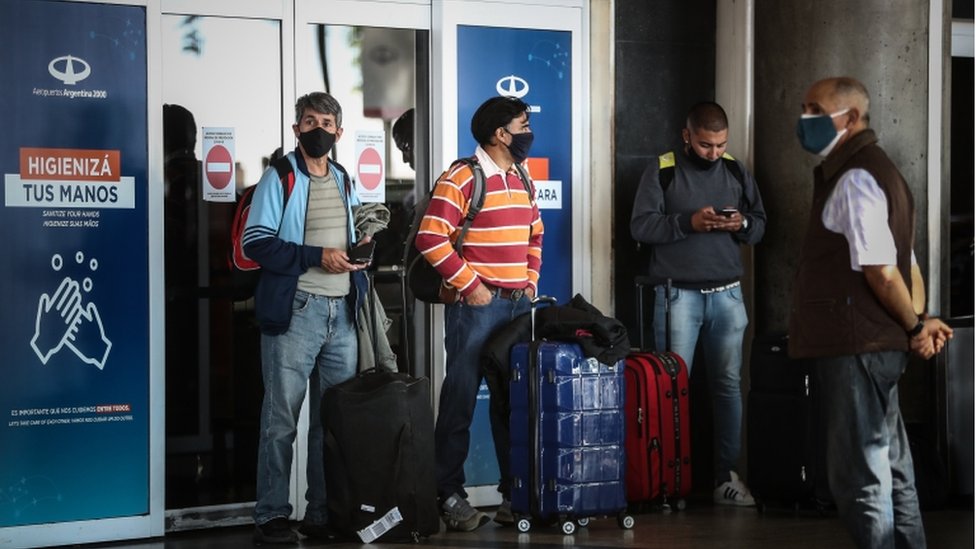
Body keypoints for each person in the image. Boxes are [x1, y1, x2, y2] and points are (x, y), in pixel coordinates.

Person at [790, 76, 953, 549]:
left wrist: (915, 326)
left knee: (860, 477)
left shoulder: (855, 177)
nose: (804, 119)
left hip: (855, 345)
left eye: (815, 109)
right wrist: (917, 325)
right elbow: (910, 266)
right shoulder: (885, 173)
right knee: (892, 468)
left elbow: (884, 272)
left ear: (851, 118)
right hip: (875, 345)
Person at [244, 92, 373, 544]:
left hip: (342, 315)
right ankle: (272, 513)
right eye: (308, 121)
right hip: (297, 311)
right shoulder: (279, 176)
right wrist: (318, 256)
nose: (317, 128)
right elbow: (255, 242)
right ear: (296, 129)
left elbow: (348, 237)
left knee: (331, 422)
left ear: (339, 131)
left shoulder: (342, 177)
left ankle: (321, 513)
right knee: (281, 420)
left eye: (326, 122)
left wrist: (359, 254)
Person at [415, 96, 544, 531]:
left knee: (512, 404)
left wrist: (530, 279)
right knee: (461, 400)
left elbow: (536, 230)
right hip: (477, 309)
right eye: (522, 125)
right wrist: (472, 288)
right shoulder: (463, 176)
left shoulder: (520, 174)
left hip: (516, 307)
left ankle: (514, 496)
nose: (528, 132)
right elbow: (431, 238)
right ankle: (448, 495)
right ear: (499, 134)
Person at [630, 101, 766, 506]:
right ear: (687, 136)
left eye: (720, 145)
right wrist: (688, 223)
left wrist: (738, 223)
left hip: (727, 294)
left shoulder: (737, 169)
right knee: (669, 390)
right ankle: (668, 480)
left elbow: (759, 226)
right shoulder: (663, 169)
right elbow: (640, 225)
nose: (714, 153)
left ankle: (726, 477)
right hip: (676, 296)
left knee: (728, 388)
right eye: (706, 145)